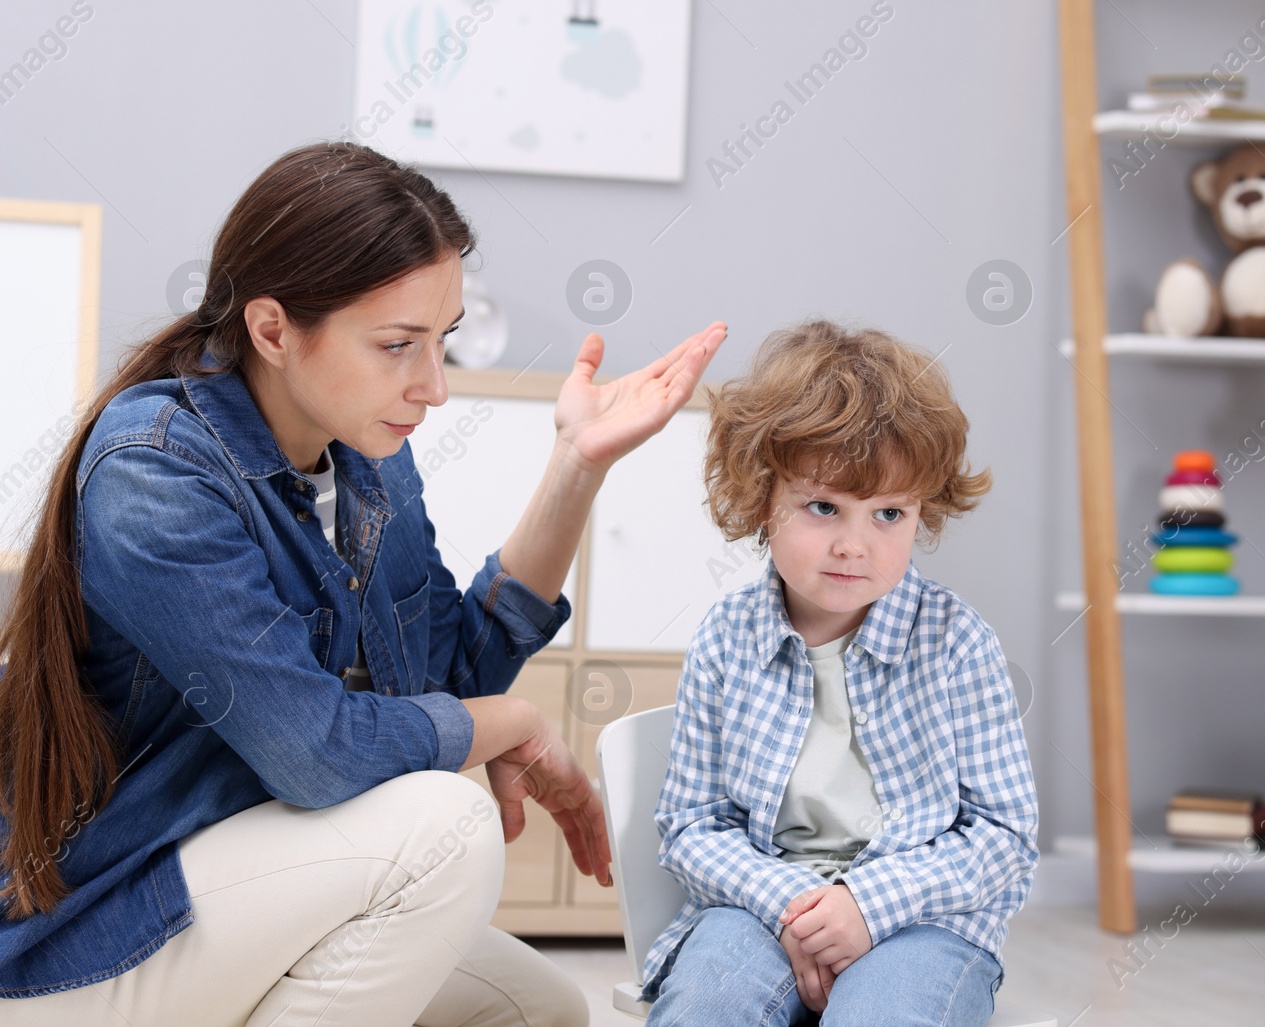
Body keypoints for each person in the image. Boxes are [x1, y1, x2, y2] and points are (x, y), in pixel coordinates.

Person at [0, 140, 727, 1025]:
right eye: (397, 345)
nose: (433, 386)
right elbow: (316, 752)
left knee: (539, 1010)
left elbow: (449, 679)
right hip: (100, 925)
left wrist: (577, 465)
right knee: (445, 831)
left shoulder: (366, 458)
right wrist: (516, 725)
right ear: (272, 330)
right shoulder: (153, 470)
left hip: (247, 882)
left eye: (442, 341)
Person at [640, 320, 1039, 1025]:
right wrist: (795, 907)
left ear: (923, 510)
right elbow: (692, 826)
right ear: (764, 497)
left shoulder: (958, 643)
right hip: (760, 906)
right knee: (706, 1004)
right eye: (823, 506)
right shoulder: (726, 639)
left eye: (889, 513)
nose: (855, 545)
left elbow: (1004, 835)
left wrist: (866, 902)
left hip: (926, 919)